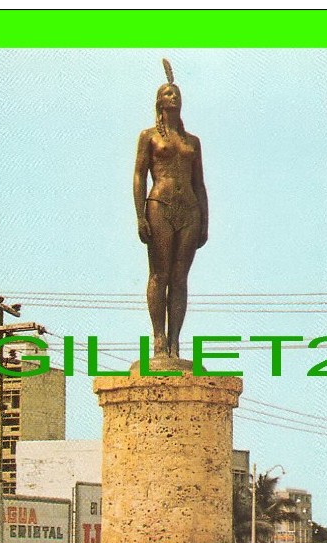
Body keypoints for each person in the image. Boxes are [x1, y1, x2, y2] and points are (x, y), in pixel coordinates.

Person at [133, 59, 208, 360]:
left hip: (189, 209)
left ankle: (175, 341)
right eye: (167, 93)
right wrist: (139, 214)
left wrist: (205, 220)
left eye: (175, 93)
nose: (172, 96)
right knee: (159, 274)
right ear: (159, 101)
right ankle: (159, 339)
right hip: (159, 204)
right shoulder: (149, 136)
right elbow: (139, 174)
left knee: (180, 278)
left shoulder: (193, 141)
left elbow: (199, 183)